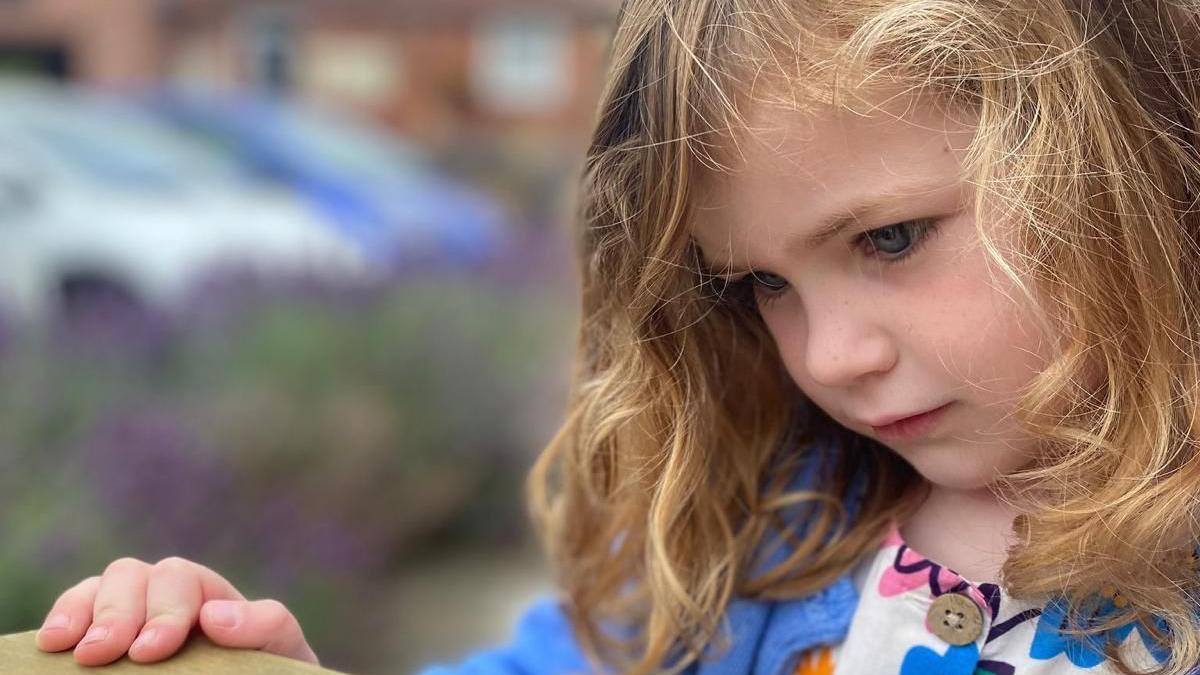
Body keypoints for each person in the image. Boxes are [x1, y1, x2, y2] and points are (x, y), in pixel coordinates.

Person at [32, 0, 1200, 673]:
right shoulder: (767, 546)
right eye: (759, 287)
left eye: (889, 240)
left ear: (1130, 157)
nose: (831, 353)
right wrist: (269, 662)